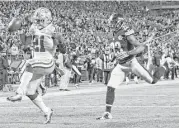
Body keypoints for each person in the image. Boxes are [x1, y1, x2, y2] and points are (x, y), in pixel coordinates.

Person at [96, 13, 166, 120]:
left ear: (119, 22)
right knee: (110, 87)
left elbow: (140, 48)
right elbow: (117, 51)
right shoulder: (113, 34)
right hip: (120, 65)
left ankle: (164, 67)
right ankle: (107, 113)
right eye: (112, 22)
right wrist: (113, 59)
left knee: (153, 81)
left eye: (114, 22)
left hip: (132, 63)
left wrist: (128, 53)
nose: (112, 24)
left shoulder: (126, 32)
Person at [7, 7, 62, 124]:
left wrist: (41, 34)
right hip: (39, 62)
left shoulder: (52, 30)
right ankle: (47, 111)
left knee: (29, 63)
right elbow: (25, 44)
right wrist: (20, 30)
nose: (38, 23)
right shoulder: (35, 28)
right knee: (31, 91)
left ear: (47, 20)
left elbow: (53, 45)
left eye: (41, 20)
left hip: (47, 61)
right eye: (38, 20)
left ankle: (18, 93)